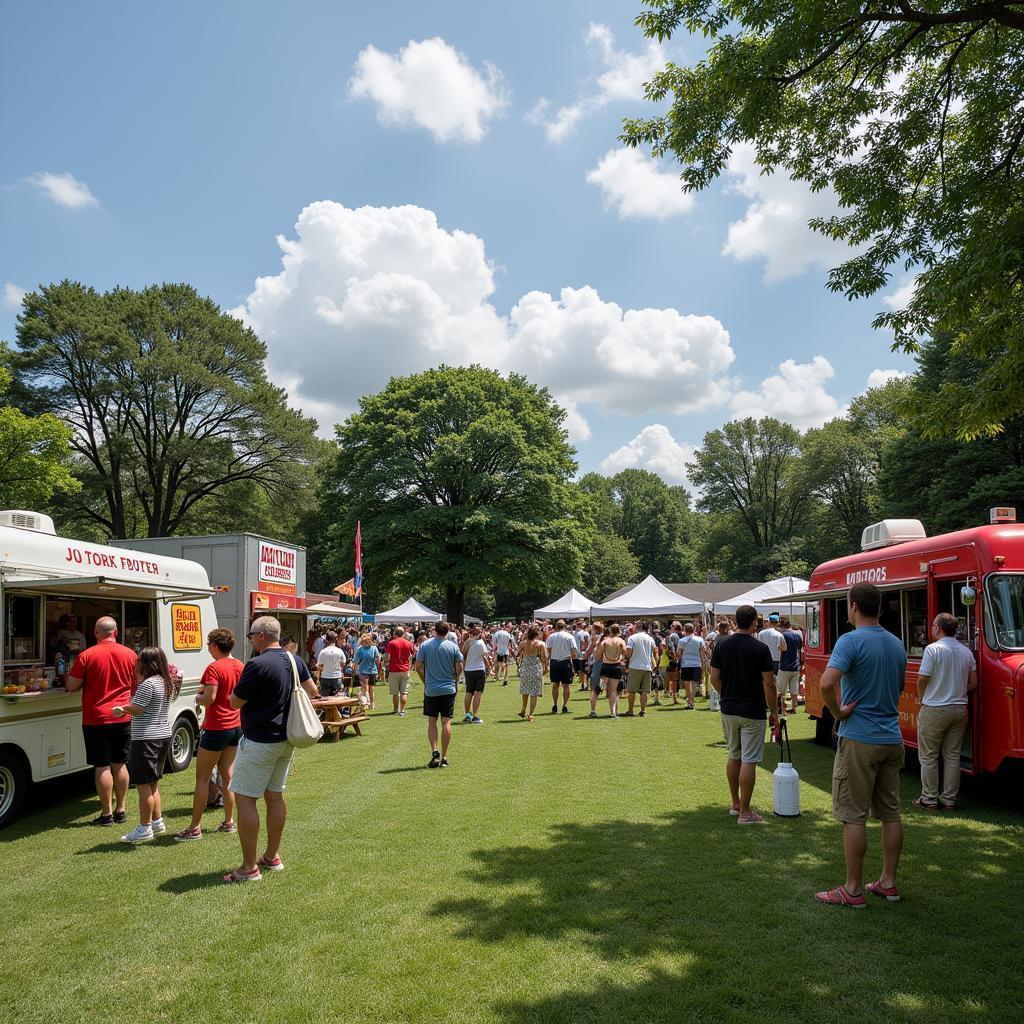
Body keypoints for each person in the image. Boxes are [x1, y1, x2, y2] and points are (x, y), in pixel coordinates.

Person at [814, 582, 907, 908]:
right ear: (878, 607)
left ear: (853, 606)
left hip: (860, 738)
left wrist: (838, 712)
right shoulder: (896, 644)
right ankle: (888, 883)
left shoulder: (850, 641)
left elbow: (827, 683)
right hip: (892, 738)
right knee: (890, 813)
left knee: (854, 815)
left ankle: (853, 890)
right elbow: (897, 688)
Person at [223, 615, 318, 884]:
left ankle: (249, 867)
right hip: (286, 739)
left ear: (262, 635)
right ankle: (271, 856)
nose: (251, 639)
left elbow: (234, 702)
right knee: (274, 797)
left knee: (245, 799)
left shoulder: (256, 664)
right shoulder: (294, 659)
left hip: (259, 740)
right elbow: (312, 691)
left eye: (251, 635)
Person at [710, 604, 778, 825]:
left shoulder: (721, 645)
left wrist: (726, 694)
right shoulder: (760, 648)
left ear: (735, 621)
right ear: (754, 623)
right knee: (749, 759)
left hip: (729, 708)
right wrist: (774, 711)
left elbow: (714, 678)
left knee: (734, 755)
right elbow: (769, 683)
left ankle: (736, 803)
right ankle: (745, 812)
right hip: (752, 709)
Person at [65, 616, 137, 826]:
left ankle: (106, 814)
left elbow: (72, 685)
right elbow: (135, 686)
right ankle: (121, 809)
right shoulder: (130, 654)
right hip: (122, 715)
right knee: (120, 764)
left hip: (96, 718)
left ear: (96, 633)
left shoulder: (86, 655)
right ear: (115, 632)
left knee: (102, 766)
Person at [176, 628, 243, 841]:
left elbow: (210, 697)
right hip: (236, 726)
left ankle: (195, 827)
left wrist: (197, 698)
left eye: (208, 645)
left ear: (215, 645)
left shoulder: (214, 668)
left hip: (216, 727)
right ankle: (229, 822)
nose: (208, 649)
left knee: (202, 778)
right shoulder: (240, 665)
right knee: (227, 775)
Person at [111, 647, 179, 843]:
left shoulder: (148, 684)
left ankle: (144, 828)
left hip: (146, 739)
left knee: (142, 786)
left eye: (140, 660)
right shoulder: (166, 682)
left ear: (148, 663)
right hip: (163, 735)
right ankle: (157, 822)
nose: (136, 663)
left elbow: (138, 709)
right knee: (152, 784)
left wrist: (121, 709)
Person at [913, 612, 977, 812]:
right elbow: (974, 683)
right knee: (952, 756)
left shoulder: (932, 650)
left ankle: (929, 798)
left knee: (928, 755)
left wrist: (922, 697)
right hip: (959, 708)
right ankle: (949, 799)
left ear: (938, 628)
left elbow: (923, 678)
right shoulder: (966, 651)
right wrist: (956, 689)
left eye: (932, 626)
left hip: (935, 707)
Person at [415, 621, 463, 767]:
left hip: (431, 689)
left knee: (432, 721)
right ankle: (444, 756)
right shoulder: (453, 646)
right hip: (448, 688)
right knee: (446, 721)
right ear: (448, 632)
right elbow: (460, 667)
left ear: (434, 630)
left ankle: (434, 751)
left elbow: (418, 666)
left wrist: (426, 681)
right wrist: (455, 680)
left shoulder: (425, 645)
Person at [624, 620, 656, 717]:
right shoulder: (650, 638)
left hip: (635, 666)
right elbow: (655, 651)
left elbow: (628, 652)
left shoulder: (632, 638)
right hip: (647, 666)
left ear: (638, 627)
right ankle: (643, 710)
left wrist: (625, 658)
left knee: (632, 690)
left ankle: (630, 710)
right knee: (645, 691)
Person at [545, 619, 578, 714]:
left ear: (556, 627)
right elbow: (574, 651)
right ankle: (565, 705)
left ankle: (555, 704)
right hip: (565, 661)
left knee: (555, 685)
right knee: (566, 686)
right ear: (565, 626)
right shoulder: (569, 636)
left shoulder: (551, 636)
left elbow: (548, 650)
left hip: (554, 662)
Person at [461, 623, 491, 724]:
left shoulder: (468, 642)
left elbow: (463, 653)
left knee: (469, 692)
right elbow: (485, 657)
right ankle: (475, 716)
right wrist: (489, 668)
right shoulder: (481, 643)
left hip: (468, 670)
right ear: (480, 633)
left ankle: (467, 715)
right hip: (478, 670)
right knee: (478, 693)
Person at [517, 625, 548, 721]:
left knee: (525, 691)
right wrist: (546, 668)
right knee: (534, 693)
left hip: (525, 668)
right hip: (535, 669)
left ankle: (523, 710)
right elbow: (543, 658)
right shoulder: (541, 644)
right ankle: (531, 714)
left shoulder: (522, 643)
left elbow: (518, 655)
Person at [599, 624, 628, 718]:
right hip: (616, 666)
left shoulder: (605, 641)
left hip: (605, 666)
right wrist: (620, 658)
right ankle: (613, 712)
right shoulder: (621, 641)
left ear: (610, 631)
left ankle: (595, 708)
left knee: (601, 687)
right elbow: (626, 654)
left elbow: (598, 655)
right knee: (614, 691)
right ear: (619, 631)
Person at [777, 617, 804, 716]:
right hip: (795, 666)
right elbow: (800, 650)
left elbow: (780, 650)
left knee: (782, 690)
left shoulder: (782, 635)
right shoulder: (797, 635)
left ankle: (783, 709)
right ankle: (794, 708)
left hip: (784, 666)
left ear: (783, 625)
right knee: (794, 689)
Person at [386, 626, 415, 716]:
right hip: (405, 669)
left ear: (395, 633)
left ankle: (395, 709)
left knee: (395, 692)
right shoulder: (408, 643)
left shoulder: (391, 643)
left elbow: (386, 656)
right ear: (403, 634)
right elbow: (413, 654)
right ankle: (402, 710)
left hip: (394, 669)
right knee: (404, 692)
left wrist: (386, 665)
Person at [677, 623, 707, 710]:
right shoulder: (700, 639)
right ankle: (692, 701)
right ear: (693, 630)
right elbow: (702, 651)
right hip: (696, 663)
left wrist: (677, 660)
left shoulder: (682, 641)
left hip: (686, 664)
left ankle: (689, 701)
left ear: (685, 630)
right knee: (694, 683)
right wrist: (703, 662)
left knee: (687, 682)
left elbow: (679, 653)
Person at [353, 633, 382, 709]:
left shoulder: (374, 648)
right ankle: (365, 702)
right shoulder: (360, 649)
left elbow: (377, 659)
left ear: (370, 641)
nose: (366, 642)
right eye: (364, 641)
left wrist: (378, 667)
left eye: (367, 641)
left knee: (371, 688)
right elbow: (356, 661)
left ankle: (371, 703)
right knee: (364, 687)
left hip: (372, 671)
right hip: (363, 671)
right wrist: (355, 670)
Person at [315, 631, 347, 697]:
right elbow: (343, 664)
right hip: (337, 676)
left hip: (325, 677)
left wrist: (323, 669)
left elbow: (319, 666)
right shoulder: (339, 651)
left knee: (324, 698)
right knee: (339, 698)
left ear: (326, 640)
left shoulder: (323, 652)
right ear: (336, 639)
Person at [757, 614, 788, 681]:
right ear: (777, 623)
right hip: (775, 660)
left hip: (763, 659)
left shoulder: (761, 633)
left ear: (769, 622)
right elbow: (784, 648)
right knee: (773, 680)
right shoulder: (779, 635)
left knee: (764, 680)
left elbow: (758, 646)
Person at [586, 622, 605, 717]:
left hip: (596, 664)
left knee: (594, 688)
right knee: (609, 688)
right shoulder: (605, 637)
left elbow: (589, 651)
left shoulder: (594, 638)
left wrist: (584, 656)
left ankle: (593, 710)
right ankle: (613, 711)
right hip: (607, 664)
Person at [665, 622, 682, 704]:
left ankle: (675, 698)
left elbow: (671, 648)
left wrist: (675, 659)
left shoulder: (673, 636)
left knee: (674, 680)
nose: (670, 627)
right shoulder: (675, 636)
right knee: (674, 680)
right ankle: (674, 697)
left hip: (673, 660)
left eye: (672, 626)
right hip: (675, 660)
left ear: (674, 627)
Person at [574, 621, 590, 690]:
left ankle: (583, 685)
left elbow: (582, 643)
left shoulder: (578, 634)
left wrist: (582, 653)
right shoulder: (586, 633)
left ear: (578, 626)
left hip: (580, 654)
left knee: (582, 671)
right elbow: (587, 643)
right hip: (585, 653)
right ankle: (586, 685)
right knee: (586, 670)